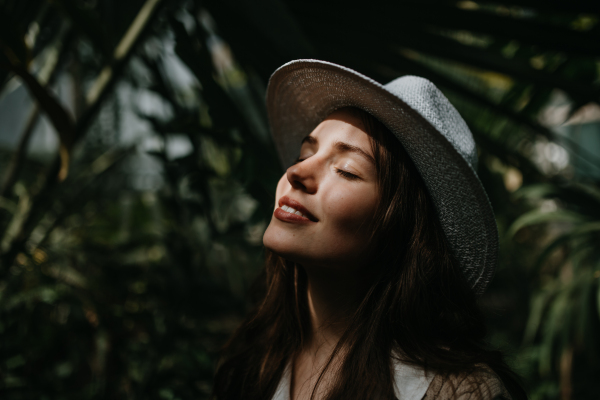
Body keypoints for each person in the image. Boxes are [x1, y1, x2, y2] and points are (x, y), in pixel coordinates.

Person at [212, 60, 526, 400]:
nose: (297, 173)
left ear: (403, 228)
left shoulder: (459, 392)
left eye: (346, 170)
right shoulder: (251, 369)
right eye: (305, 153)